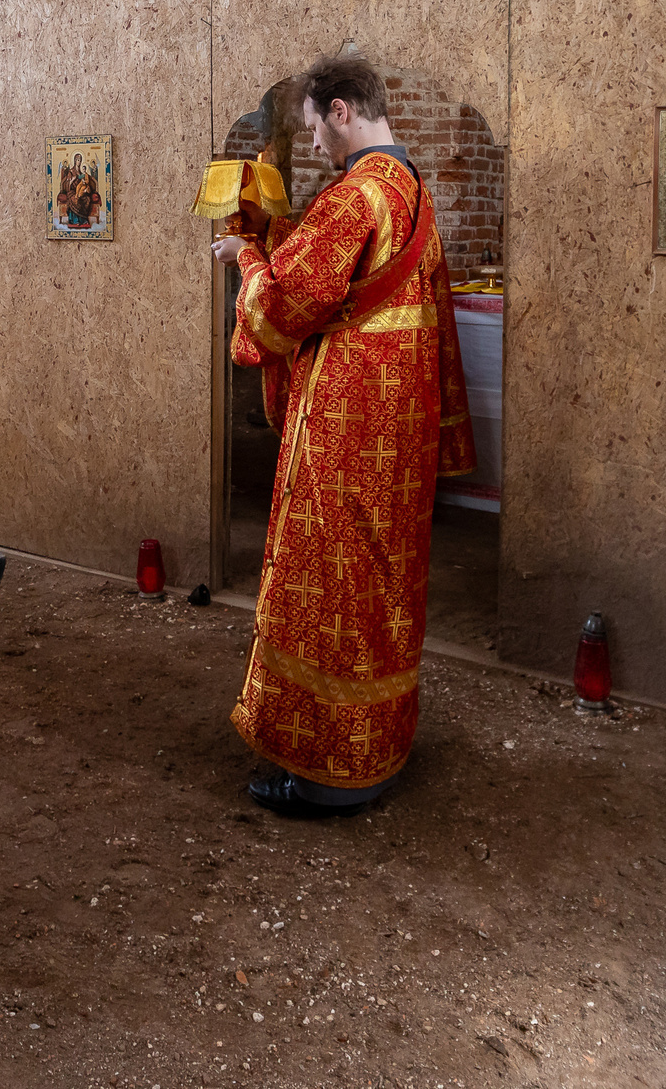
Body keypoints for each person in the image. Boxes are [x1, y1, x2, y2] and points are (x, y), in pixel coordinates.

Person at [213, 53, 475, 818]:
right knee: (383, 593)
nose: (316, 146)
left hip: (344, 437)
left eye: (314, 129)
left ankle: (328, 771)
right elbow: (348, 279)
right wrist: (283, 229)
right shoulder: (409, 190)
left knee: (328, 594)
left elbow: (286, 306)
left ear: (340, 111)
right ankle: (379, 749)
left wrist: (249, 254)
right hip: (398, 439)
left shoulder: (355, 196)